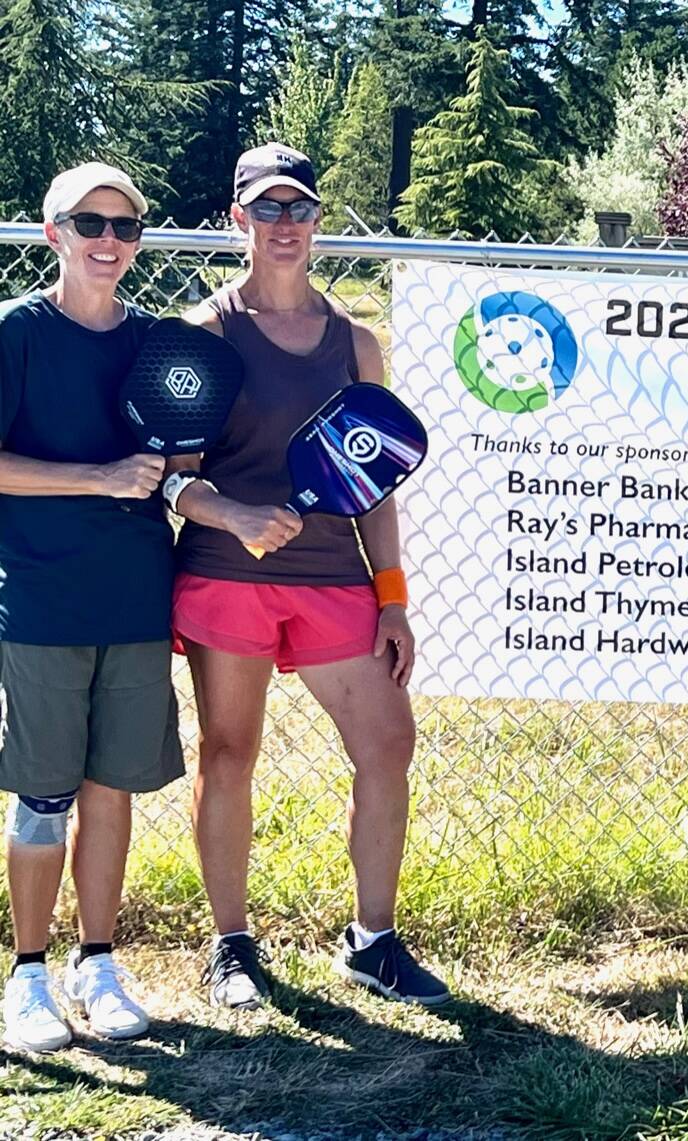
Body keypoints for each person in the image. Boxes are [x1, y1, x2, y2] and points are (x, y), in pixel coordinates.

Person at [164, 143, 447, 1008]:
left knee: (388, 743)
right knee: (229, 751)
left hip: (334, 579)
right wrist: (237, 515)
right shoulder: (205, 333)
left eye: (300, 209)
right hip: (226, 575)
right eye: (267, 208)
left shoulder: (356, 341)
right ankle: (232, 947)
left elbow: (374, 481)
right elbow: (174, 478)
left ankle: (372, 942)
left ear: (318, 221)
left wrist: (391, 599)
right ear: (237, 221)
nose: (285, 225)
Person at [1, 164, 179, 1052]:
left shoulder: (155, 344)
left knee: (112, 791)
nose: (109, 240)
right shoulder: (18, 335)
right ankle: (27, 975)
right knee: (44, 797)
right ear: (54, 235)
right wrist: (97, 479)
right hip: (41, 602)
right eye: (88, 223)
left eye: (126, 227)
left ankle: (95, 961)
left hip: (139, 601)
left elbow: (188, 460)